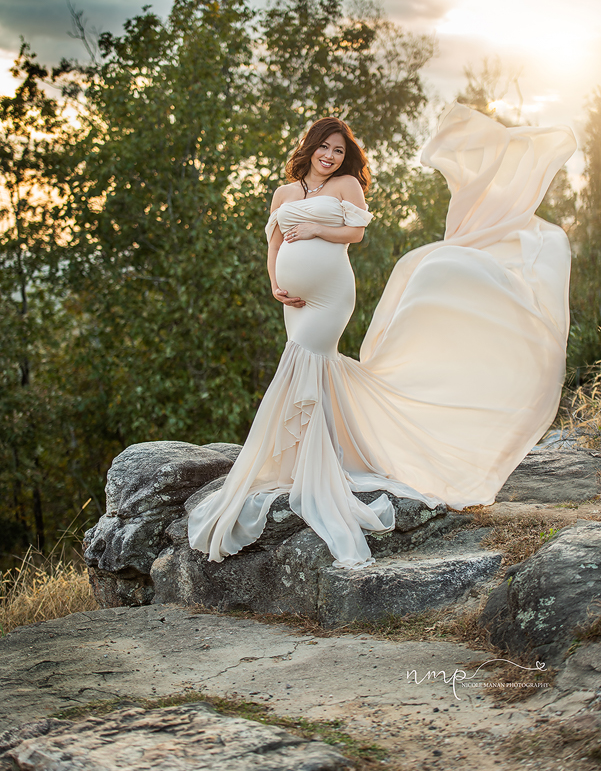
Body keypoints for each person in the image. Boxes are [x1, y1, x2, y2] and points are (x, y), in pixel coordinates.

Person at [188, 103, 576, 569]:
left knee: (305, 360)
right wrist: (274, 283)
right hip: (295, 300)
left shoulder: (345, 185)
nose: (330, 156)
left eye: (338, 150)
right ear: (309, 149)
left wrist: (315, 227)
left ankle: (318, 464)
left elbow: (354, 233)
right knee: (315, 367)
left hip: (331, 295)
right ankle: (318, 454)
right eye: (324, 148)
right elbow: (273, 242)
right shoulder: (284, 191)